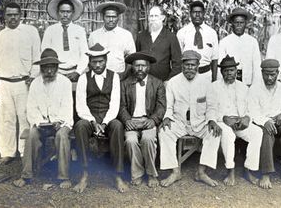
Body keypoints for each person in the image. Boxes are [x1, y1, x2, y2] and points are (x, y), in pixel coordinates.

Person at [159, 50, 221, 187]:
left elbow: (211, 106)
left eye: (193, 65)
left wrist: (212, 120)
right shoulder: (173, 82)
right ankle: (175, 171)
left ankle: (201, 172)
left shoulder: (206, 82)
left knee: (215, 133)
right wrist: (167, 117)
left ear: (198, 65)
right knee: (164, 131)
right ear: (182, 65)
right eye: (187, 65)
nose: (190, 68)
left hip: (200, 122)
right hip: (179, 122)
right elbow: (168, 106)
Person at [13, 49, 73, 188]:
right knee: (32, 134)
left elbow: (68, 105)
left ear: (57, 67)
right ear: (41, 68)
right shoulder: (35, 84)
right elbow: (31, 107)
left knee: (62, 136)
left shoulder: (65, 82)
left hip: (61, 122)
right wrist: (38, 122)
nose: (49, 71)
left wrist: (60, 121)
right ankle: (26, 175)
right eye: (46, 67)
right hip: (42, 124)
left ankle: (64, 177)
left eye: (52, 67)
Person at [0, 2, 41, 164]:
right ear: (4, 17)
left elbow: (37, 57)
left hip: (24, 82)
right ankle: (7, 152)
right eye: (9, 15)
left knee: (25, 116)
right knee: (6, 118)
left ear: (21, 15)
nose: (12, 18)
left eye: (15, 14)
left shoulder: (30, 32)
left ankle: (25, 150)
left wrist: (32, 77)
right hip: (4, 83)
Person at [73, 43, 127, 193]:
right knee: (80, 126)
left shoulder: (114, 76)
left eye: (101, 61)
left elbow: (115, 104)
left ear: (106, 60)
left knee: (117, 126)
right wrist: (92, 121)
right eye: (94, 62)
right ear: (89, 62)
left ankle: (117, 175)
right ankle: (84, 173)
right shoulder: (83, 78)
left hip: (108, 117)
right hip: (89, 116)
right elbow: (81, 105)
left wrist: (103, 123)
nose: (97, 65)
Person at [207, 55, 263, 186]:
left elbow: (251, 108)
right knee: (227, 135)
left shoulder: (244, 87)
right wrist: (222, 119)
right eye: (225, 71)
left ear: (236, 71)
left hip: (240, 122)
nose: (229, 73)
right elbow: (210, 108)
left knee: (257, 133)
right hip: (223, 121)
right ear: (221, 72)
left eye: (231, 70)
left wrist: (247, 118)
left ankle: (248, 170)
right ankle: (230, 170)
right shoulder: (214, 87)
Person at [248, 59, 281, 189]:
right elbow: (252, 111)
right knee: (267, 134)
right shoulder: (254, 89)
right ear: (261, 73)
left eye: (272, 74)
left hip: (279, 119)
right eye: (266, 74)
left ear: (278, 72)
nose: (269, 77)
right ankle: (266, 174)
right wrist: (265, 121)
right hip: (262, 120)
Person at [118, 52, 166, 187]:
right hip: (132, 121)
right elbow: (121, 106)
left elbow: (161, 106)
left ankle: (151, 174)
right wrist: (127, 120)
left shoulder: (157, 83)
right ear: (132, 67)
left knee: (148, 139)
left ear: (148, 67)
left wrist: (153, 120)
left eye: (143, 66)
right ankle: (137, 173)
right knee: (131, 140)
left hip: (148, 120)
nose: (140, 69)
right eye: (136, 65)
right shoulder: (124, 84)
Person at [42, 0, 88, 86]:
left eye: (68, 11)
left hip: (75, 73)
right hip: (56, 73)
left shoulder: (79, 30)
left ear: (73, 12)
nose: (65, 15)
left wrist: (78, 72)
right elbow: (45, 53)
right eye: (62, 11)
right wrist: (52, 72)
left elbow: (85, 54)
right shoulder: (50, 30)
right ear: (58, 12)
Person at [89, 1, 135, 80]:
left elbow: (131, 58)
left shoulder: (126, 35)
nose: (111, 19)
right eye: (108, 16)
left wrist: (123, 75)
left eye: (114, 17)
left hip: (120, 75)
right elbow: (90, 58)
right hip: (99, 77)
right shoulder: (94, 35)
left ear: (118, 17)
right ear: (103, 17)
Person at [135, 6, 182, 81]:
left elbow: (178, 64)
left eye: (156, 16)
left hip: (163, 82)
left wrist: (169, 81)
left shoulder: (171, 37)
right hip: (143, 82)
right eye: (151, 16)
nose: (153, 19)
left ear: (163, 18)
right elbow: (136, 59)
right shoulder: (141, 36)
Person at [177, 0, 219, 82]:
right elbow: (178, 58)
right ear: (190, 14)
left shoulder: (211, 33)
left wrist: (214, 81)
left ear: (204, 13)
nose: (197, 15)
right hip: (187, 76)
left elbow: (215, 59)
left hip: (206, 76)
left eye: (200, 12)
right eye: (194, 12)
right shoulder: (182, 33)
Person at [218, 8, 261, 86]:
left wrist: (255, 86)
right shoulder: (224, 42)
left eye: (241, 23)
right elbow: (220, 66)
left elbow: (257, 67)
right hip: (229, 83)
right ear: (232, 23)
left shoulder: (252, 42)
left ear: (246, 24)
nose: (239, 25)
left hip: (247, 82)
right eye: (236, 22)